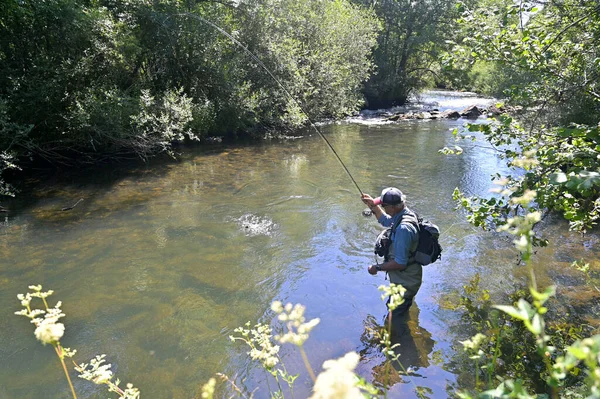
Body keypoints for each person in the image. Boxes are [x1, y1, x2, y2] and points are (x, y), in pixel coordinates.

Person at [361, 187, 422, 316]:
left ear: (393, 208)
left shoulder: (403, 229)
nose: (382, 207)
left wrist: (376, 268)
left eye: (383, 206)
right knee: (402, 309)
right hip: (406, 277)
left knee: (394, 317)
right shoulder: (404, 213)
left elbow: (400, 263)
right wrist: (373, 206)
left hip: (406, 281)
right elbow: (386, 221)